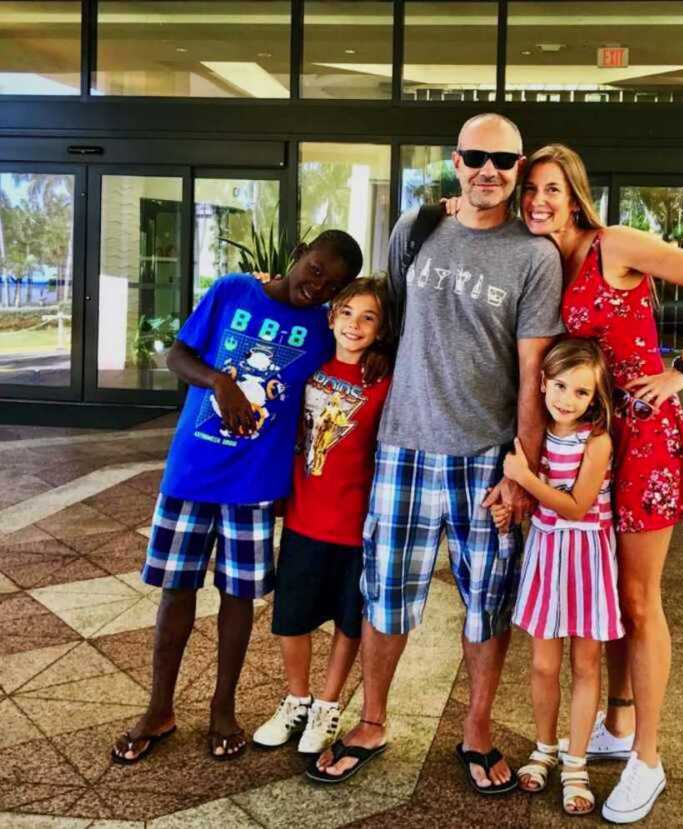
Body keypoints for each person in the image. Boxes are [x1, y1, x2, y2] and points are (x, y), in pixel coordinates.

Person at [309, 113, 565, 793]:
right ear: (456, 161)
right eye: (476, 157)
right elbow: (388, 321)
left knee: (487, 601)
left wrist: (523, 470)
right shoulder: (414, 229)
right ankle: (372, 719)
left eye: (503, 161)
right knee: (384, 596)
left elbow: (534, 369)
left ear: (516, 169)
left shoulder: (534, 255)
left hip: (486, 457)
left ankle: (477, 732)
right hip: (403, 448)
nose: (489, 170)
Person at [517, 144, 683, 822]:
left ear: (575, 192)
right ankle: (618, 718)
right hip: (588, 442)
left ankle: (648, 756)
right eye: (530, 189)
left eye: (552, 188)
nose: (538, 200)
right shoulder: (543, 260)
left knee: (639, 600)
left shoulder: (614, 243)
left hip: (642, 438)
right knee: (606, 594)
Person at [110, 231, 363, 765]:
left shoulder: (322, 328)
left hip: (254, 485)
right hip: (193, 472)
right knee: (175, 591)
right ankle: (159, 708)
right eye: (315, 269)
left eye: (332, 284)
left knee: (237, 597)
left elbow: (344, 369)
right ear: (297, 256)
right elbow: (178, 353)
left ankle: (223, 709)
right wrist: (219, 383)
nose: (316, 287)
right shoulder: (231, 291)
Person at [252, 277, 392, 755]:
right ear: (331, 317)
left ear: (381, 328)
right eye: (347, 313)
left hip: (356, 527)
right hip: (303, 519)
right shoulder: (309, 368)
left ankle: (328, 706)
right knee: (291, 618)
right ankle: (296, 699)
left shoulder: (384, 381)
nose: (355, 325)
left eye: (368, 317)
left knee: (348, 623)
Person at [493, 338, 622, 816]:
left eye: (582, 392)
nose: (567, 399)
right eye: (561, 385)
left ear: (596, 397)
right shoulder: (534, 433)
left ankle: (576, 762)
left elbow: (577, 506)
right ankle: (544, 747)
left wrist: (523, 479)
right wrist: (511, 506)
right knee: (545, 665)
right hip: (547, 557)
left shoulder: (598, 441)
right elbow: (533, 504)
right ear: (543, 382)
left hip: (587, 558)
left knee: (586, 666)